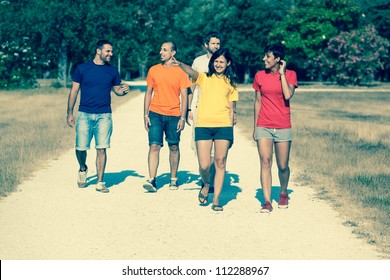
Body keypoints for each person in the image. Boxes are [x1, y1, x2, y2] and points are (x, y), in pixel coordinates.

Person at [173, 48, 239, 211]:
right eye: (216, 61)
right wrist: (180, 63)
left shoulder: (231, 82)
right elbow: (192, 72)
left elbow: (232, 109)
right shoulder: (204, 77)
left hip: (223, 125)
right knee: (204, 165)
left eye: (221, 62)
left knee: (220, 162)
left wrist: (230, 132)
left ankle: (216, 199)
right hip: (203, 125)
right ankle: (207, 183)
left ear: (228, 63)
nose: (218, 64)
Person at [67, 39, 130, 193]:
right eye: (108, 51)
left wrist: (124, 91)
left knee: (102, 148)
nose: (111, 54)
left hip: (104, 116)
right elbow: (74, 91)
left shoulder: (112, 71)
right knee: (80, 148)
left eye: (111, 51)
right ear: (98, 51)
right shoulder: (82, 69)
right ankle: (83, 168)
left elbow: (117, 91)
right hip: (84, 114)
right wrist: (69, 112)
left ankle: (100, 182)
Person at [252, 43, 298, 213]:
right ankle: (266, 201)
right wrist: (255, 126)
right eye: (265, 56)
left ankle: (283, 192)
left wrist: (282, 74)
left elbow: (287, 95)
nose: (264, 59)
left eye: (268, 57)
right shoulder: (259, 76)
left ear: (278, 59)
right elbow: (257, 101)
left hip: (283, 125)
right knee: (265, 162)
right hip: (264, 124)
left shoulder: (290, 74)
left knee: (283, 165)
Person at [143, 41, 191, 192]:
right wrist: (145, 114)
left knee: (174, 146)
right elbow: (148, 93)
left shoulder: (181, 72)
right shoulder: (154, 70)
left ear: (173, 53)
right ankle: (152, 179)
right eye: (161, 49)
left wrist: (183, 118)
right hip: (155, 113)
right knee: (154, 145)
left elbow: (184, 96)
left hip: (174, 115)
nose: (161, 52)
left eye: (164, 50)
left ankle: (173, 178)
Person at [187, 31, 223, 194]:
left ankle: (212, 183)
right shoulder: (198, 62)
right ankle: (205, 180)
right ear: (206, 45)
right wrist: (188, 109)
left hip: (219, 112)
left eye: (218, 43)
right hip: (200, 111)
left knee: (217, 152)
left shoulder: (223, 61)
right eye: (213, 43)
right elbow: (192, 87)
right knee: (202, 150)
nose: (216, 46)